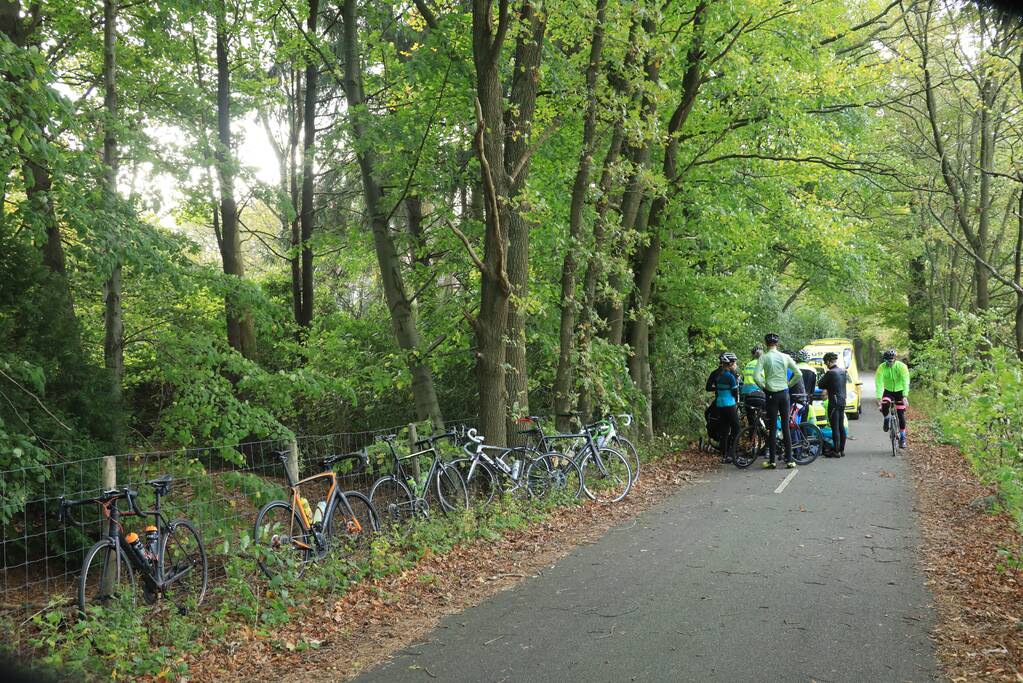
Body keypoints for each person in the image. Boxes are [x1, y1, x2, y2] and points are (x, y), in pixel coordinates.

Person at [753, 333, 801, 469]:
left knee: (773, 427)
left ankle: (772, 461)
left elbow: (756, 377)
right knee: (785, 426)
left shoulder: (764, 357)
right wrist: (789, 385)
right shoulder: (785, 357)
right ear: (777, 344)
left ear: (766, 344)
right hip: (784, 393)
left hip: (771, 394)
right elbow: (799, 373)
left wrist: (764, 387)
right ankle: (790, 460)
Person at [876, 348, 910, 448]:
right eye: (887, 361)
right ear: (884, 360)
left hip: (900, 391)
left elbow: (905, 381)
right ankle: (886, 418)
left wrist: (904, 396)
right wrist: (878, 397)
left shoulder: (902, 367)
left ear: (895, 359)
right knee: (884, 404)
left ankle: (903, 438)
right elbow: (879, 383)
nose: (890, 362)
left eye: (891, 360)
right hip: (888, 391)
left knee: (901, 416)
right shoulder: (881, 368)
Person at [818, 351, 848, 457]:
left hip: (834, 402)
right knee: (841, 426)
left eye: (826, 363)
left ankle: (836, 451)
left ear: (828, 362)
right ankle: (842, 450)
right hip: (842, 401)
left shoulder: (830, 373)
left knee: (834, 427)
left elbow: (820, 384)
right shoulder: (842, 371)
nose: (826, 365)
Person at [714, 352, 740, 461]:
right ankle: (732, 453)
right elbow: (735, 391)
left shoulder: (718, 375)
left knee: (724, 430)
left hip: (720, 404)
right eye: (734, 362)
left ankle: (724, 455)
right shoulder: (729, 376)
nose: (735, 364)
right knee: (737, 428)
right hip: (729, 404)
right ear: (730, 364)